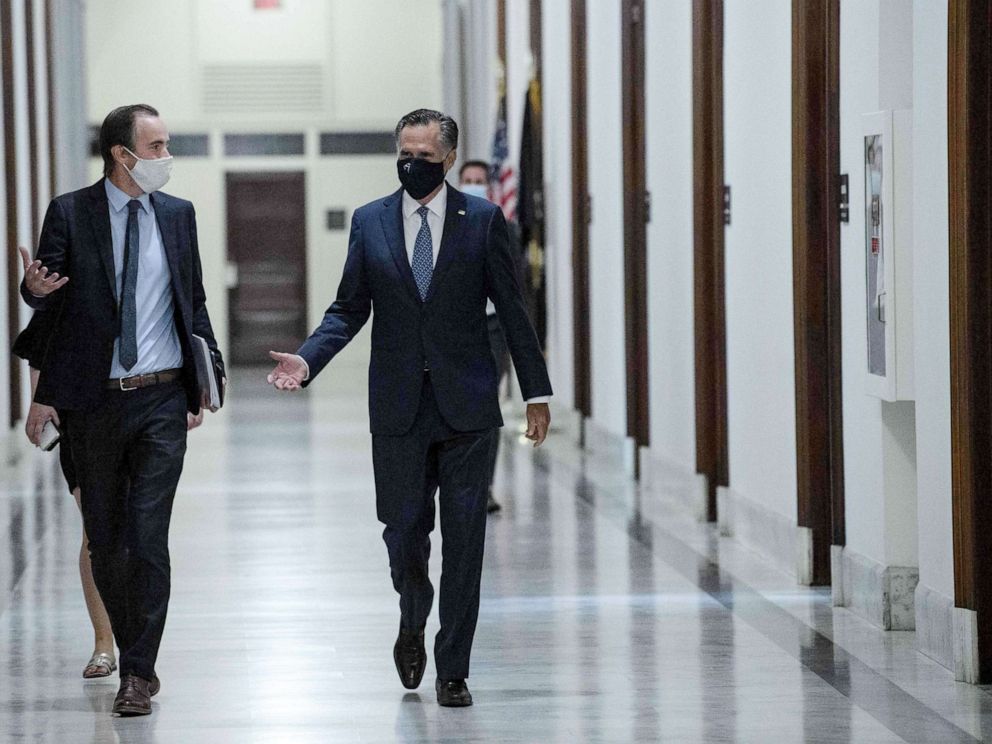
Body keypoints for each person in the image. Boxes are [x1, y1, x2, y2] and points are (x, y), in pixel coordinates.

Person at [267, 109, 552, 707]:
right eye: (404, 152)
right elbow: (349, 308)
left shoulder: (483, 220)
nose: (411, 164)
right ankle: (411, 612)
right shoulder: (370, 221)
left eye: (424, 155)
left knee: (467, 539)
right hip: (398, 405)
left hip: (468, 406)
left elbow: (514, 309)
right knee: (402, 531)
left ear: (448, 159)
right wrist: (308, 359)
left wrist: (535, 391)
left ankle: (454, 667)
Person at [19, 103, 224, 717]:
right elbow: (45, 297)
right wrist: (33, 289)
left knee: (147, 535)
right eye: (157, 146)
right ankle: (131, 649)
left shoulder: (178, 216)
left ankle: (138, 670)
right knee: (106, 541)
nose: (167, 157)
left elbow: (193, 300)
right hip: (94, 402)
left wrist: (203, 380)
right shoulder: (72, 212)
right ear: (122, 154)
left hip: (161, 395)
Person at [12, 312, 118, 680]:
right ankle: (104, 643)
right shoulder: (73, 261)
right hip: (82, 414)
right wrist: (41, 399)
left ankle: (138, 643)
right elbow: (37, 340)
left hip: (143, 405)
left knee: (137, 531)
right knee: (96, 531)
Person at [457, 159, 525, 514]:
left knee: (485, 402)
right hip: (455, 328)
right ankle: (459, 484)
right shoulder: (443, 226)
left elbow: (516, 287)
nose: (473, 185)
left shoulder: (503, 228)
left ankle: (483, 487)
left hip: (493, 326)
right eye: (467, 180)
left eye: (479, 181)